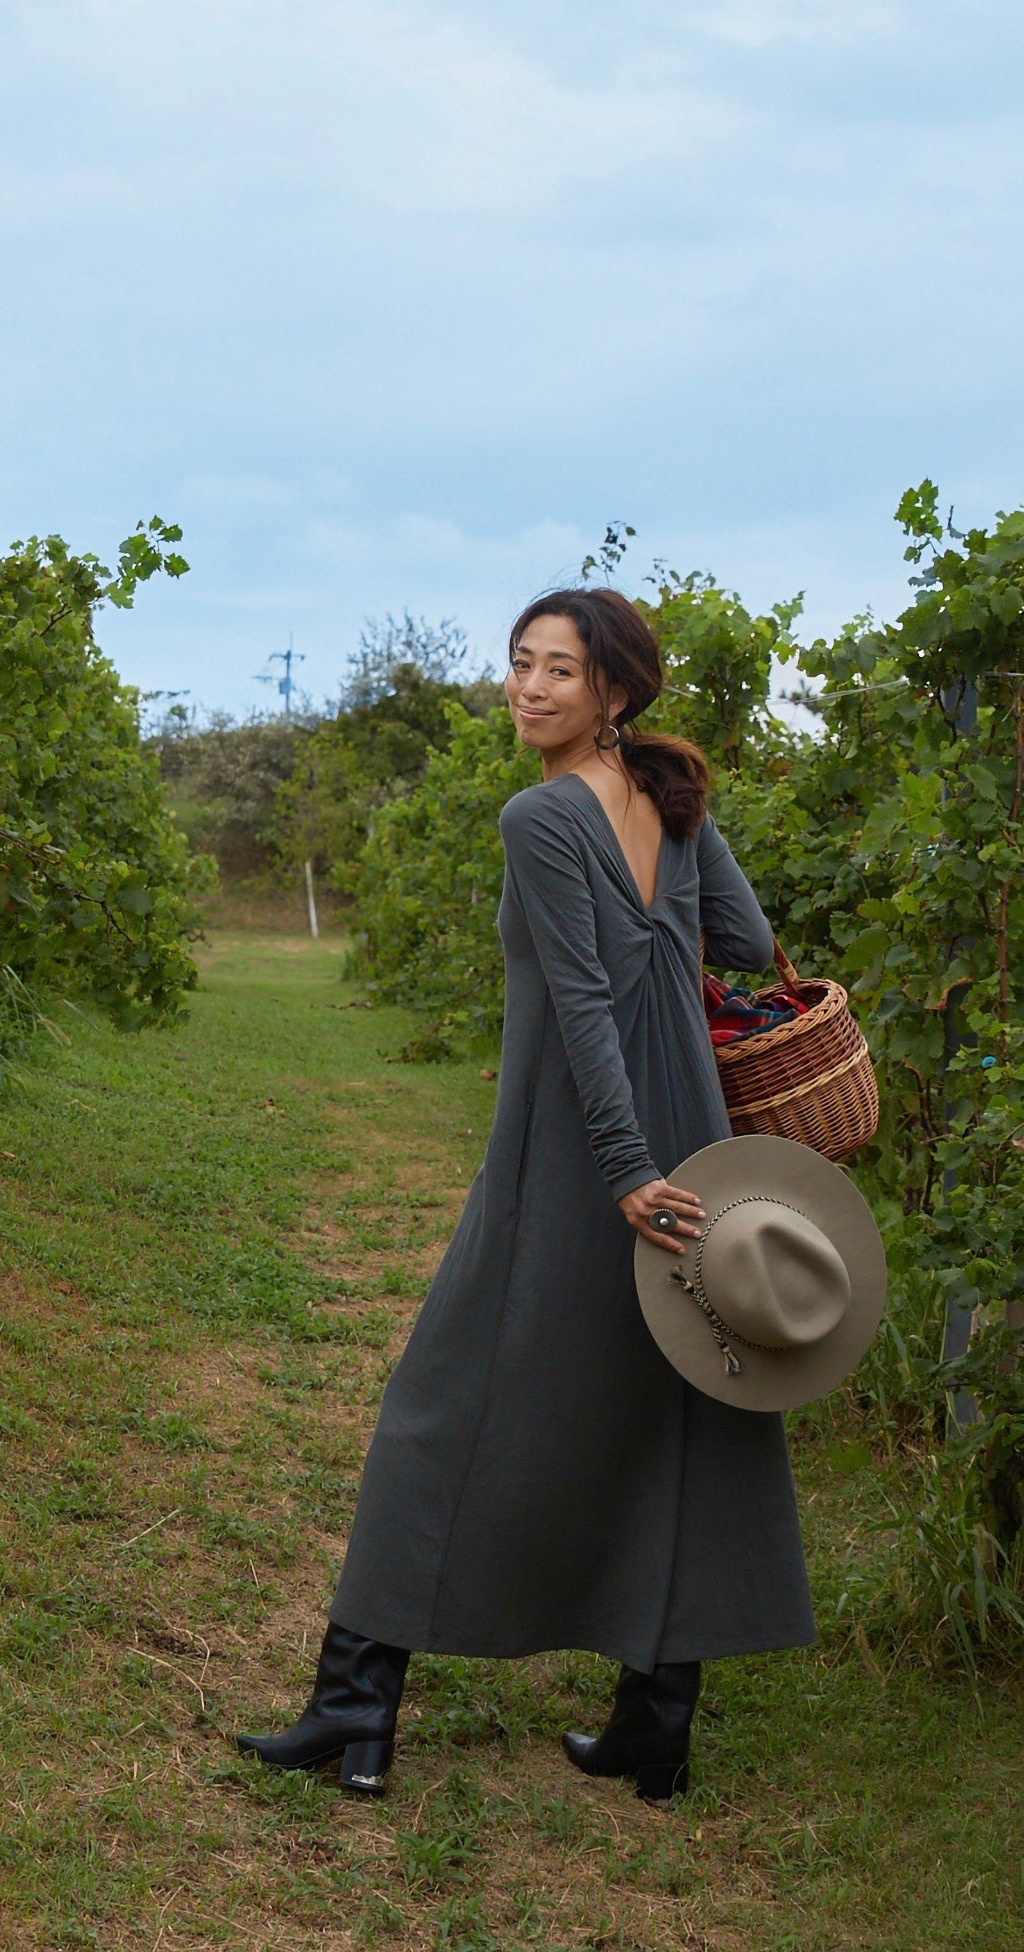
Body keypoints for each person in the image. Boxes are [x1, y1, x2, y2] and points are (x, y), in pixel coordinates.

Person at [237, 586, 815, 1801]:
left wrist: (621, 1171)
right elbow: (750, 942)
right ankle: (657, 1724)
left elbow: (582, 1005)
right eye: (519, 662)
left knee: (444, 1396)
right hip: (695, 1133)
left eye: (560, 670)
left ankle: (356, 1706)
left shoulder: (542, 814)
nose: (529, 687)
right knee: (677, 1400)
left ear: (614, 691)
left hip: (583, 1144)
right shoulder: (670, 798)